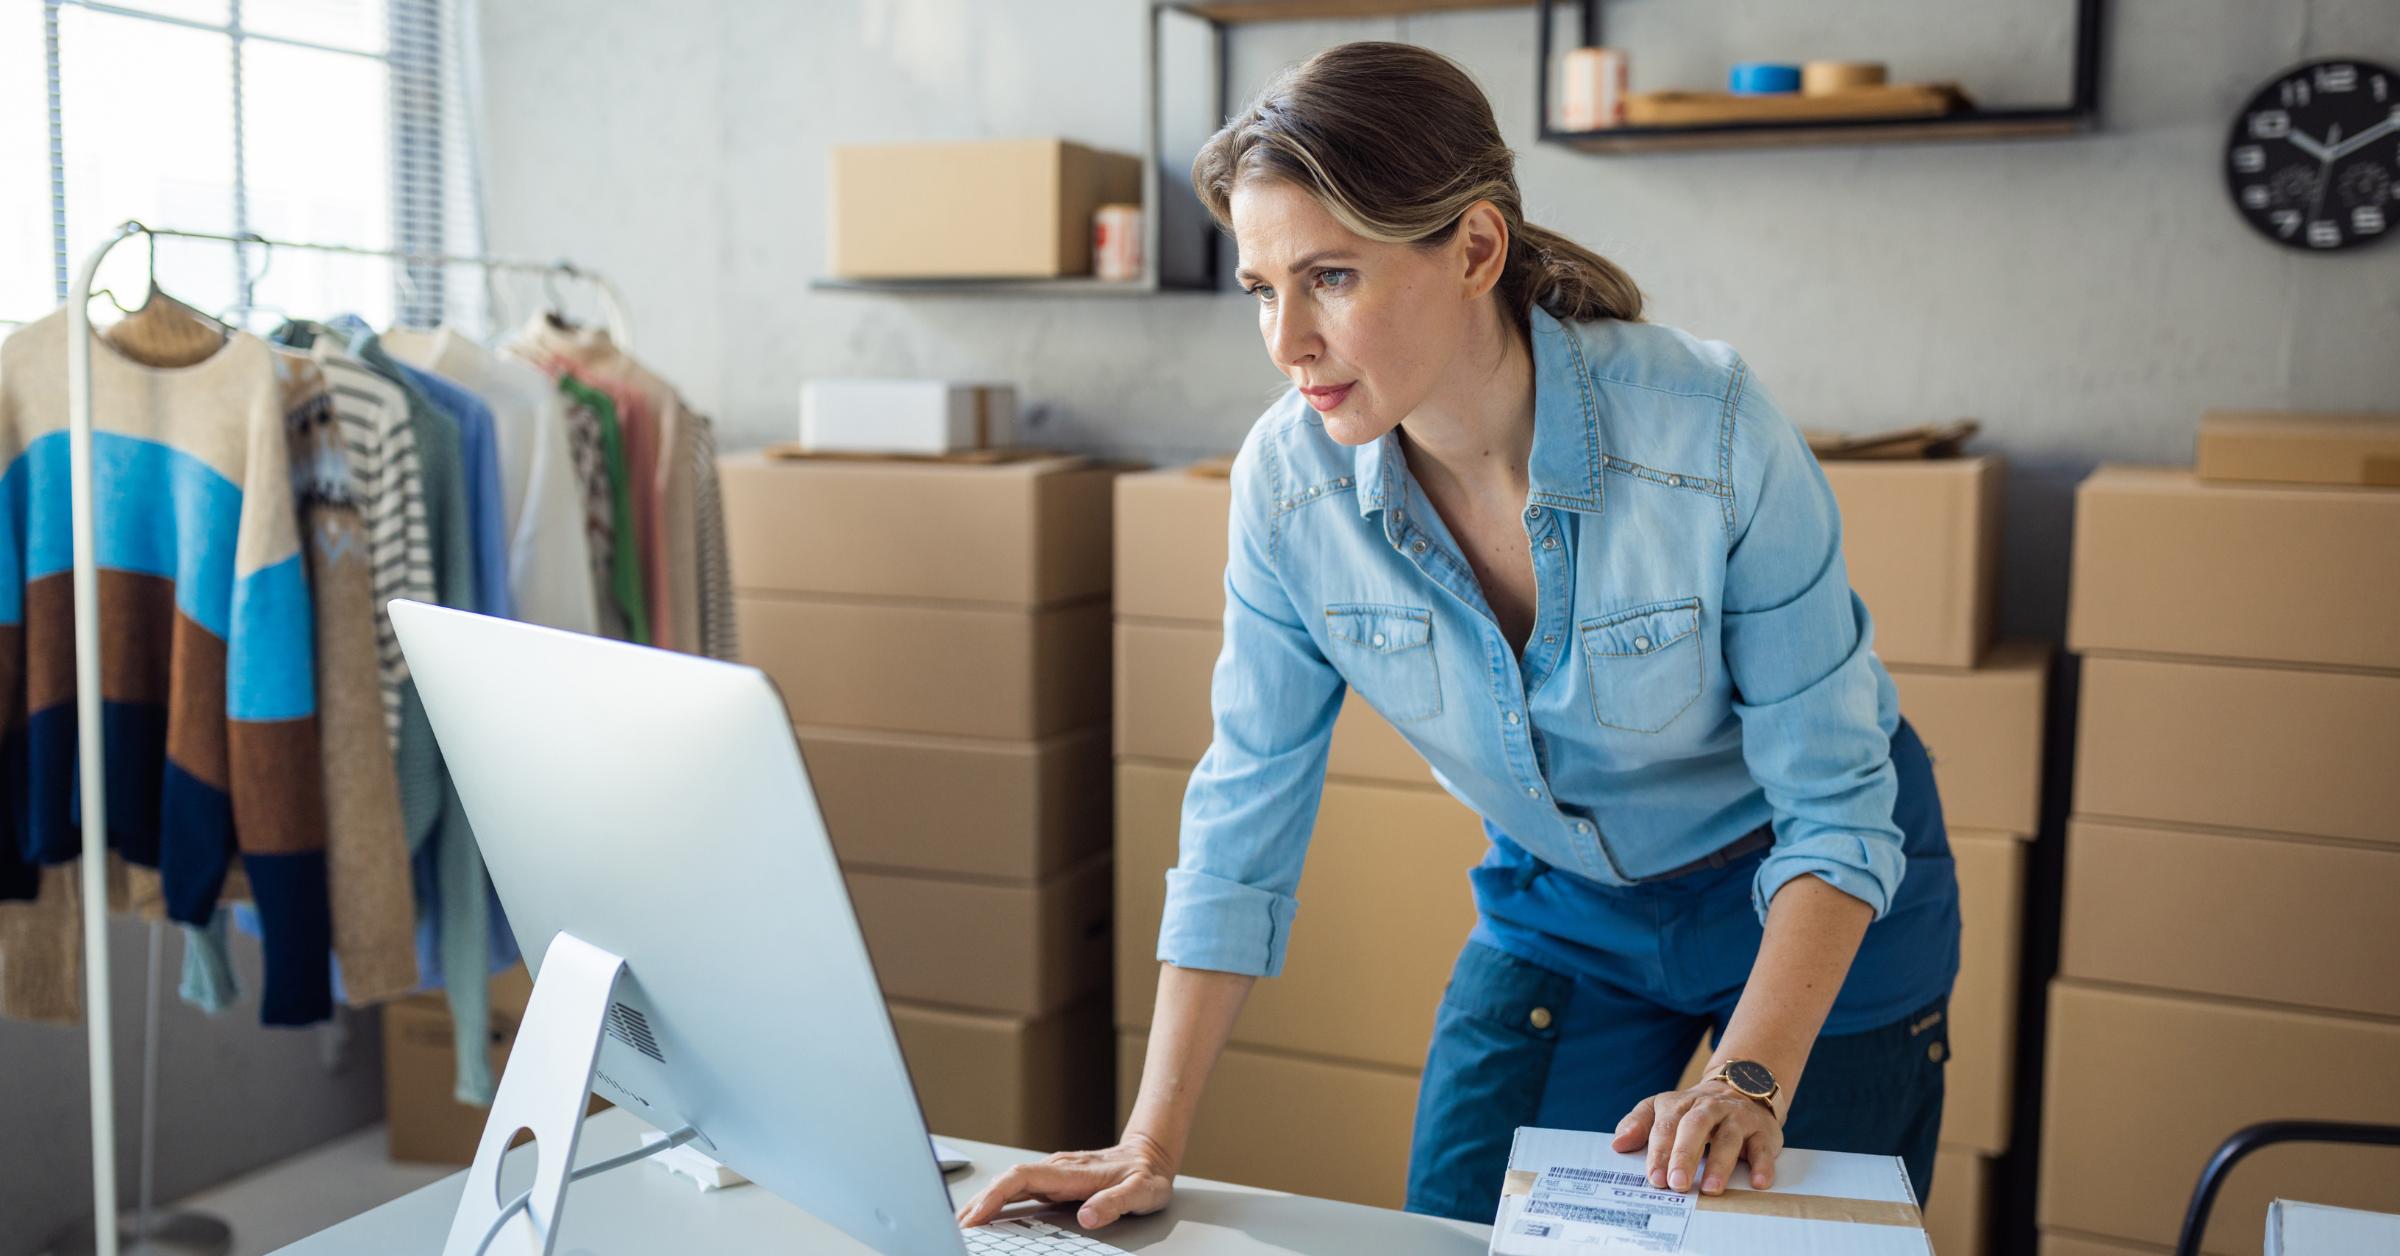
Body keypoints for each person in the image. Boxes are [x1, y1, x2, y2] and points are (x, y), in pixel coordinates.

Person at [957, 40, 1959, 1232]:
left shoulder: (1710, 432)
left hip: (1816, 895)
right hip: (1565, 903)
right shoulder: (1289, 488)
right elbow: (1243, 809)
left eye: (1330, 277)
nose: (1286, 343)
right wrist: (1149, 1138)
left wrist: (1746, 1077)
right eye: (1262, 288)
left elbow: (1838, 807)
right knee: (1451, 1226)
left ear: (1476, 248)